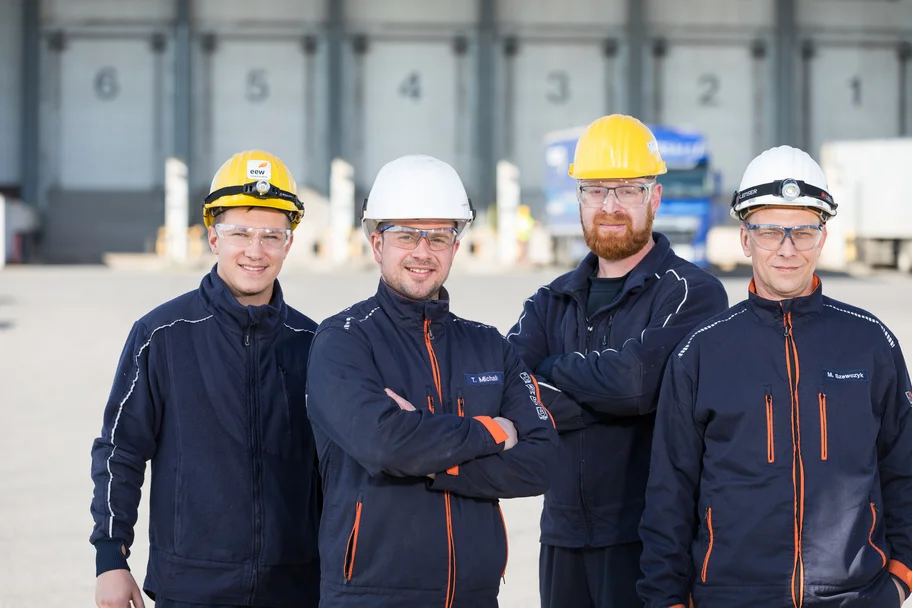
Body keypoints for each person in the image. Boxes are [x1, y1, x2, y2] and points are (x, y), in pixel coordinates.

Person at [638, 145, 912, 608]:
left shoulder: (871, 342)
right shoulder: (702, 351)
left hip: (854, 597)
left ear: (822, 238)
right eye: (769, 231)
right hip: (730, 597)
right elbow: (670, 493)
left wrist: (901, 575)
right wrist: (666, 599)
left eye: (803, 231)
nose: (787, 249)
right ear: (746, 239)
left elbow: (903, 467)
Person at [305, 154, 559, 608]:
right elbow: (385, 445)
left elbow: (541, 461)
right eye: (407, 236)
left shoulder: (489, 346)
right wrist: (492, 431)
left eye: (439, 237)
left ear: (455, 247)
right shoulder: (342, 342)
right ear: (376, 242)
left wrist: (427, 450)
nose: (423, 252)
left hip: (473, 597)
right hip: (369, 596)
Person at [506, 114, 729, 608]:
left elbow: (634, 384)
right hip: (562, 537)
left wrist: (552, 374)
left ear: (654, 197)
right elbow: (508, 388)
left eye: (626, 190)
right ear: (579, 199)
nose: (610, 206)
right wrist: (606, 393)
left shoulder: (694, 295)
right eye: (595, 190)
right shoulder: (551, 299)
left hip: (650, 542)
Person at [90, 150, 321, 608]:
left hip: (295, 587)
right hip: (191, 587)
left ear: (289, 244)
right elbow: (121, 451)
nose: (255, 251)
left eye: (271, 236)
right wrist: (111, 560)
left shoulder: (314, 342)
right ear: (213, 236)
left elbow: (338, 470)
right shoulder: (160, 336)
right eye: (240, 233)